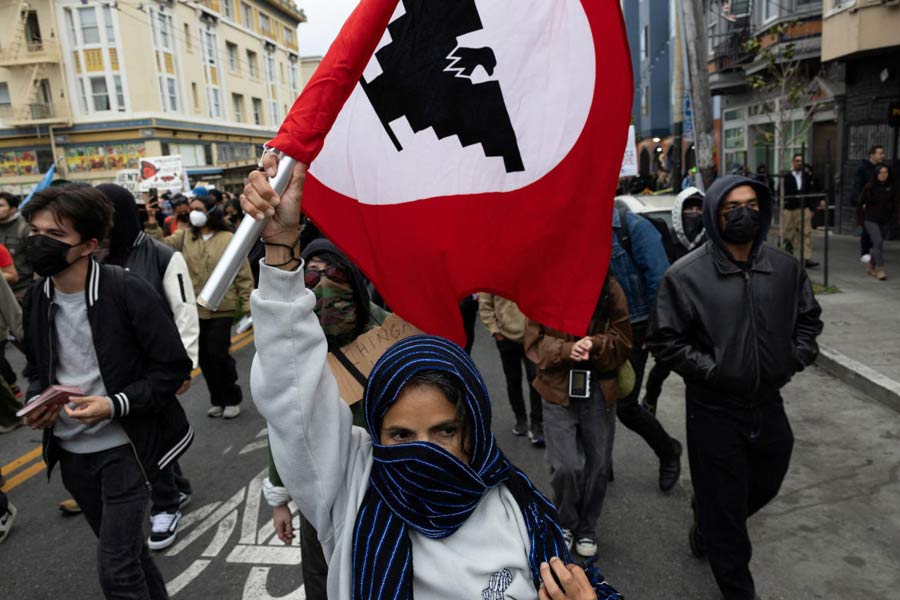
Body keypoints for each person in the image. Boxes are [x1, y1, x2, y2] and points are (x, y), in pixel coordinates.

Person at [242, 157, 622, 600]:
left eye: (444, 430)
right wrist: (283, 249)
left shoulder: (516, 505)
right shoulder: (353, 493)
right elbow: (293, 396)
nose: (423, 452)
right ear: (375, 436)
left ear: (472, 430)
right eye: (401, 435)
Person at [648, 175, 823, 600]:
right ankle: (735, 580)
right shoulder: (686, 276)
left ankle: (710, 518)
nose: (744, 214)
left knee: (767, 481)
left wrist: (793, 358)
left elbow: (808, 320)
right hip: (713, 411)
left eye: (752, 205)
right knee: (728, 519)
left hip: (768, 403)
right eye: (732, 208)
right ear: (714, 214)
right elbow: (664, 341)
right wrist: (713, 371)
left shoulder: (784, 268)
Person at [21, 185, 193, 599]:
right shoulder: (35, 298)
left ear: (89, 245)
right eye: (34, 232)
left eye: (55, 236)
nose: (39, 243)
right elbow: (36, 368)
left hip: (125, 449)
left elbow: (173, 368)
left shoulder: (125, 289)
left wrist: (115, 405)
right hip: (72, 454)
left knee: (116, 572)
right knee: (132, 555)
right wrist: (36, 401)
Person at [264, 237, 389, 600]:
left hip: (384, 489)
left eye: (335, 272)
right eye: (312, 277)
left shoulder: (388, 335)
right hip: (320, 495)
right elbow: (282, 424)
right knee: (323, 580)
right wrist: (279, 499)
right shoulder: (298, 350)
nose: (325, 286)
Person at [98, 183, 200, 550]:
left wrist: (184, 366)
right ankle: (177, 485)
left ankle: (166, 503)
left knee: (150, 434)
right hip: (114, 367)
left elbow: (184, 312)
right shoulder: (95, 258)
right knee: (137, 437)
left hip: (156, 368)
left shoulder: (160, 256)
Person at [524, 274, 631, 558]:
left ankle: (587, 527)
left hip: (599, 386)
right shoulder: (543, 285)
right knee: (566, 466)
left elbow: (624, 338)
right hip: (556, 388)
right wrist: (568, 349)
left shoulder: (609, 286)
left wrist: (595, 344)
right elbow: (533, 343)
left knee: (598, 465)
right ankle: (566, 522)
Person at [145, 193, 254, 419]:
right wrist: (152, 220)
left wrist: (248, 305)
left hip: (222, 307)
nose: (191, 212)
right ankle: (217, 399)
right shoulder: (184, 237)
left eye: (197, 208)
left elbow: (242, 273)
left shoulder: (227, 238)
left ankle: (231, 397)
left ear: (211, 211)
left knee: (218, 354)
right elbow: (156, 246)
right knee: (203, 357)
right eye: (189, 208)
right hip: (194, 309)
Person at [610, 200, 682, 492]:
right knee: (597, 400)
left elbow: (661, 283)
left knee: (625, 405)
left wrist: (652, 333)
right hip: (601, 330)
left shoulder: (634, 229)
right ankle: (601, 463)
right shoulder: (582, 229)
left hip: (636, 329)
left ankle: (668, 451)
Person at [642, 187, 706, 415]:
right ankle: (650, 399)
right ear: (680, 211)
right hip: (673, 313)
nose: (694, 212)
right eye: (689, 208)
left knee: (699, 367)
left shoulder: (710, 240)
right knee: (664, 364)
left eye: (699, 208)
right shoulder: (666, 239)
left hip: (703, 314)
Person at [479, 293, 543, 444]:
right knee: (513, 380)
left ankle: (537, 425)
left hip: (532, 336)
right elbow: (485, 304)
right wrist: (495, 331)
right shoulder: (493, 273)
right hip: (506, 336)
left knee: (536, 379)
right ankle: (520, 419)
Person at [859, 164, 899, 281]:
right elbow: (860, 203)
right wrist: (861, 219)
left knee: (878, 244)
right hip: (870, 219)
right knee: (878, 241)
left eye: (885, 172)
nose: (883, 175)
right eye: (880, 172)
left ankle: (870, 265)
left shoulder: (892, 187)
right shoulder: (870, 186)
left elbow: (896, 203)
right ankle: (880, 268)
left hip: (884, 219)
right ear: (876, 174)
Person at [782, 153, 818, 268]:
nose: (799, 163)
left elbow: (812, 191)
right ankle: (787, 255)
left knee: (806, 233)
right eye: (797, 161)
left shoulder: (806, 176)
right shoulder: (786, 176)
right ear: (792, 162)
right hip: (790, 208)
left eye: (801, 161)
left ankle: (806, 258)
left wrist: (812, 208)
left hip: (803, 208)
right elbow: (781, 191)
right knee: (788, 233)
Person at [853, 145, 886, 263]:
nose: (882, 155)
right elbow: (857, 186)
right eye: (880, 153)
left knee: (878, 228)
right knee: (867, 228)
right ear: (872, 154)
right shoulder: (862, 169)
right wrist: (861, 202)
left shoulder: (882, 168)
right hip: (866, 203)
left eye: (883, 153)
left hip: (879, 204)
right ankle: (865, 252)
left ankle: (874, 250)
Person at [0, 191, 35, 299]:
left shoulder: (25, 229)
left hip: (22, 290)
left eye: (1, 206)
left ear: (13, 209)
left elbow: (37, 260)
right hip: (3, 288)